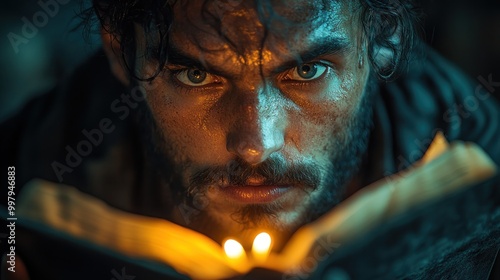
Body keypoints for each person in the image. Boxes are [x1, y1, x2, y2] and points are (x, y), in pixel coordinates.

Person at [1, 0, 499, 279]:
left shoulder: (479, 168)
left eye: (307, 70)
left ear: (381, 41)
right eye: (196, 77)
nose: (257, 145)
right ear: (120, 53)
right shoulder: (23, 173)